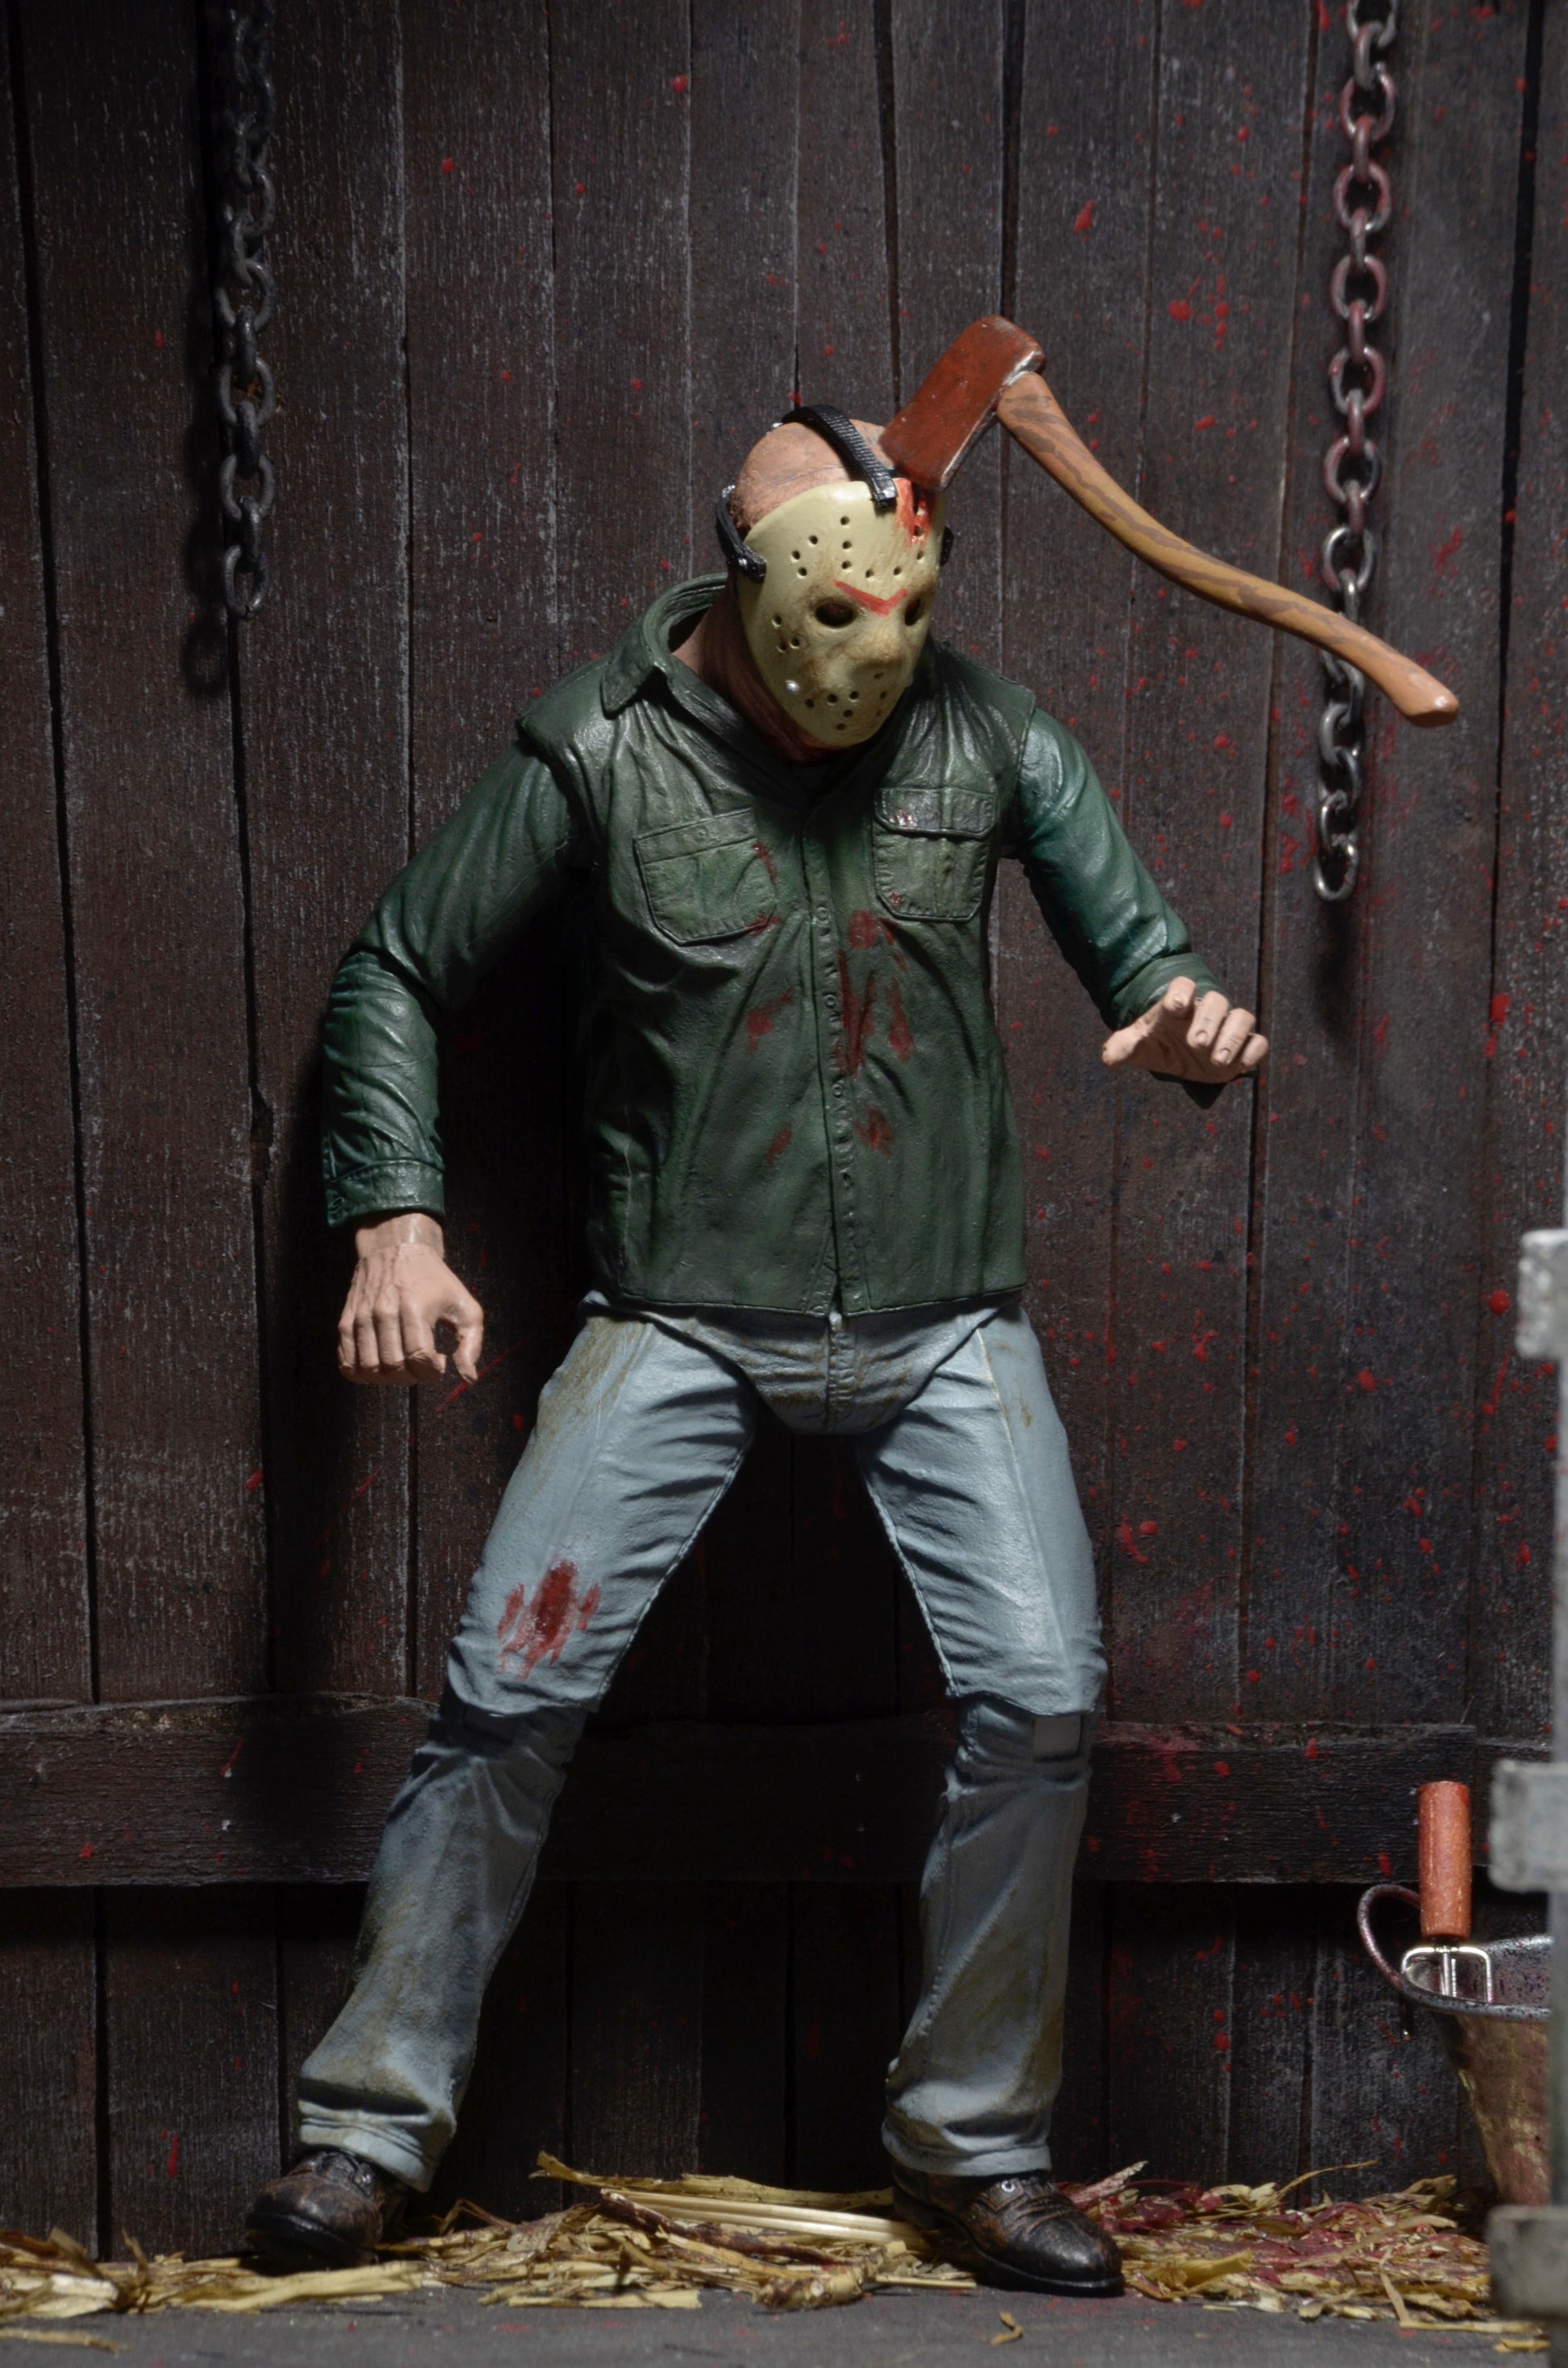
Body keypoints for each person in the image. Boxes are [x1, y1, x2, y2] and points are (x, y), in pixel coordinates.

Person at [246, 405, 1267, 2294]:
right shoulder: (598, 746)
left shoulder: (988, 732)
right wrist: (394, 1215)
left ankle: (972, 2144)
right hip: (680, 1321)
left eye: (899, 628)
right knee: (505, 1692)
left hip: (945, 1321)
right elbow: (395, 964)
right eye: (828, 633)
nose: (862, 680)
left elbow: (1154, 963)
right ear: (748, 580)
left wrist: (1186, 1017)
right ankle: (369, 2127)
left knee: (1041, 1693)